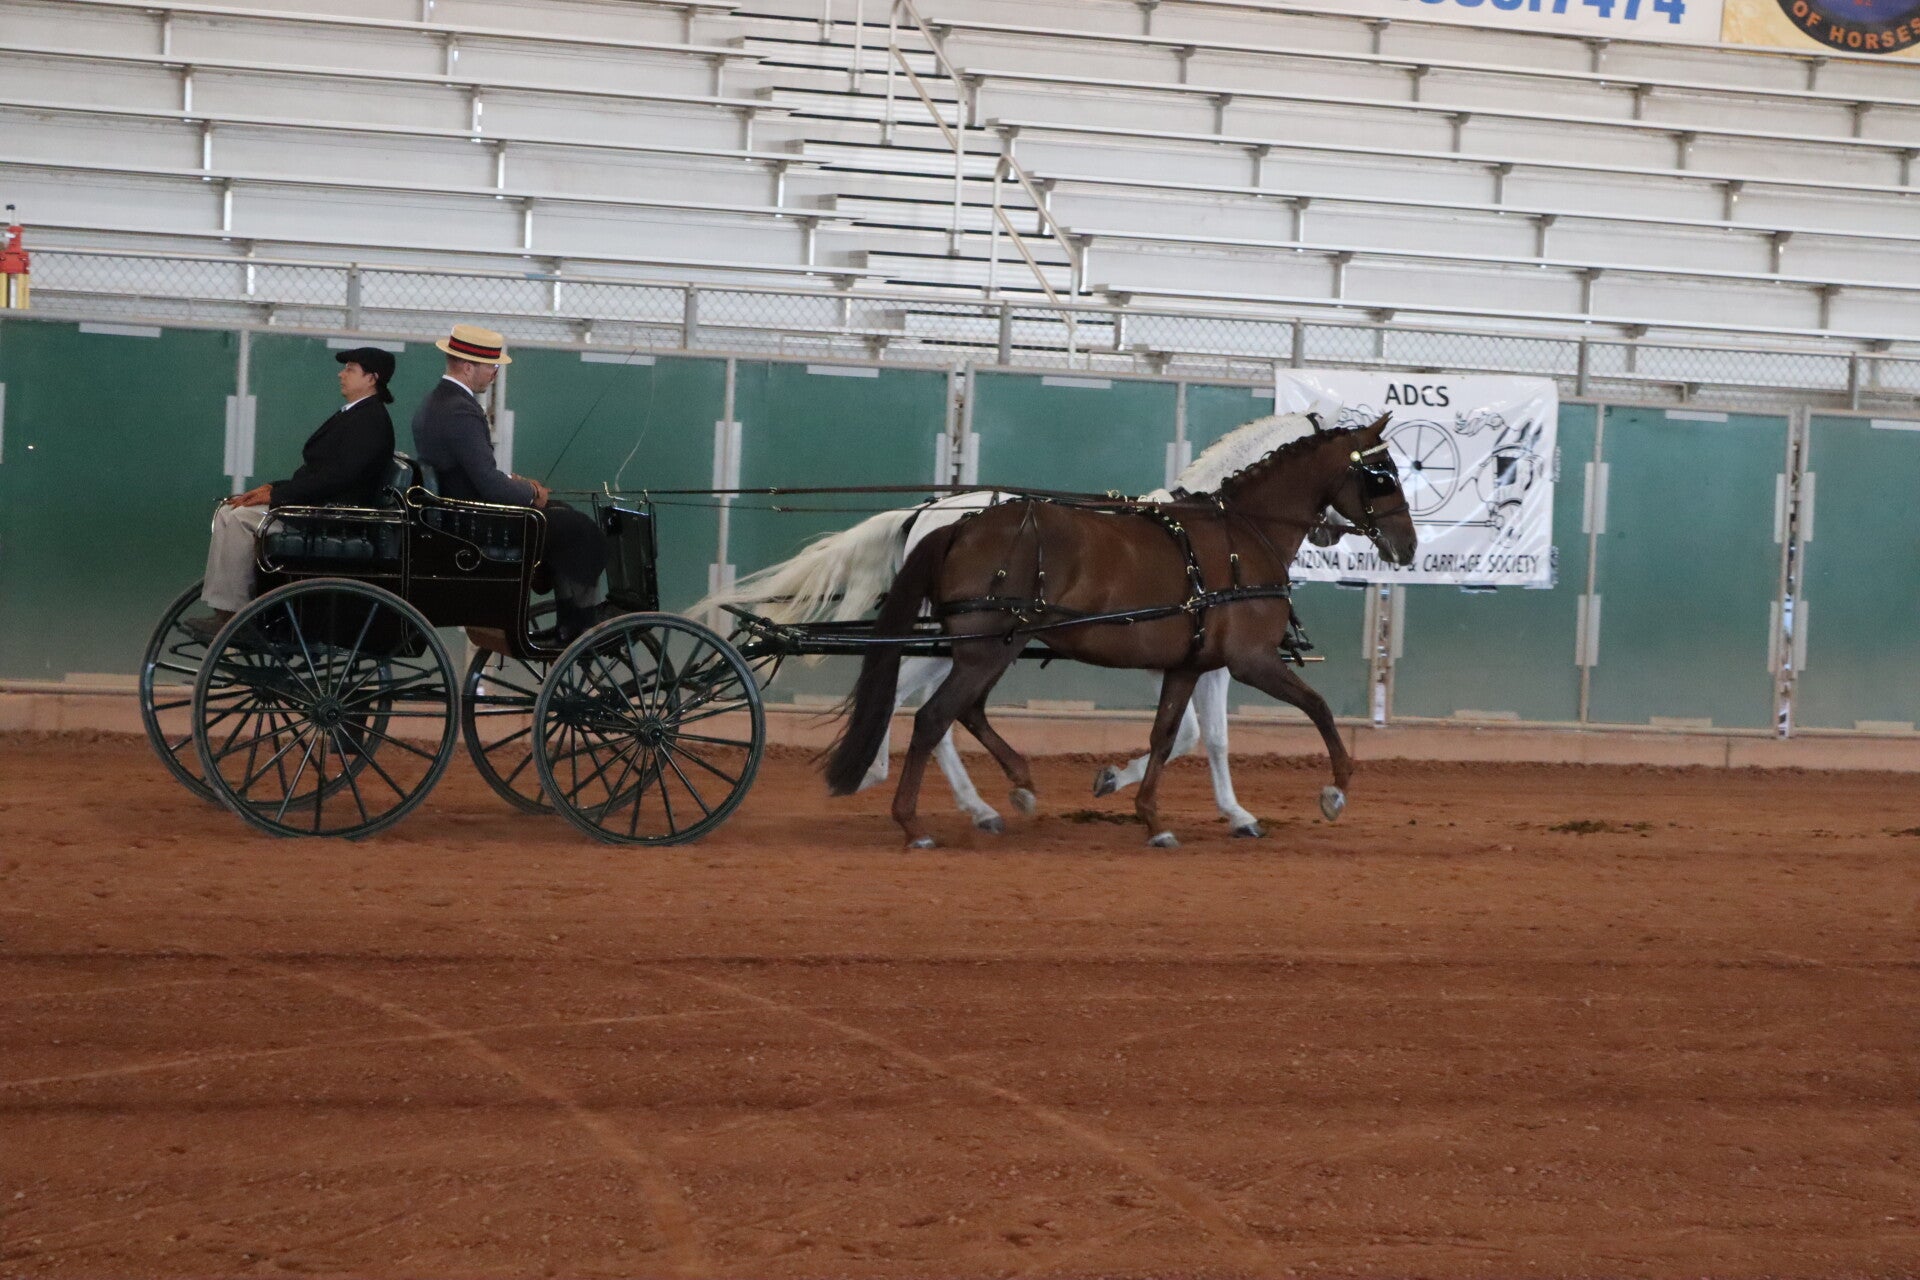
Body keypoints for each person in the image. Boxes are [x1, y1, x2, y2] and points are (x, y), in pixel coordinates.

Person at [411, 323, 608, 642]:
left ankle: (568, 621)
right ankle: (581, 622)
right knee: (580, 528)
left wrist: (514, 483)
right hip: (476, 522)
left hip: (460, 514)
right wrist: (530, 491)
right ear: (468, 367)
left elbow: (472, 472)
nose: (494, 374)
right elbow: (489, 485)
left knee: (563, 514)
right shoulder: (459, 410)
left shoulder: (436, 402)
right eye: (491, 366)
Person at [189, 347, 398, 639]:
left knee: (239, 520)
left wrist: (278, 496)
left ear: (372, 378)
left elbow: (338, 478)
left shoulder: (370, 421)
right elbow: (320, 472)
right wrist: (274, 488)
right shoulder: (356, 415)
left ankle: (235, 615)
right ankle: (223, 610)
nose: (341, 374)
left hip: (332, 515)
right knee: (227, 512)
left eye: (350, 369)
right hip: (318, 504)